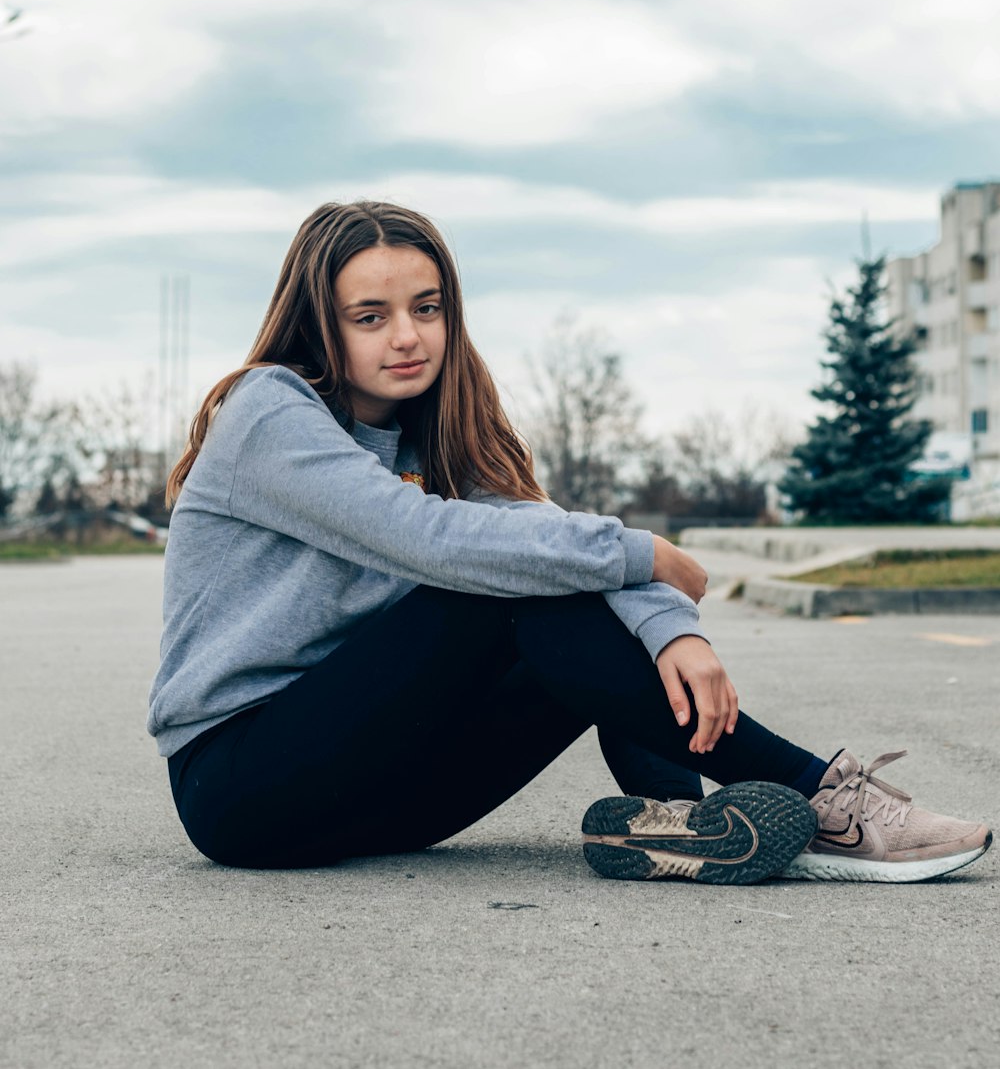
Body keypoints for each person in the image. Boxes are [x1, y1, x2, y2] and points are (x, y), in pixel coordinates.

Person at [149, 200, 992, 885]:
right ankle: (824, 798)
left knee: (555, 579)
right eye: (370, 316)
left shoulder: (439, 436)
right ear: (319, 324)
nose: (407, 336)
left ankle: (676, 818)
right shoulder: (270, 411)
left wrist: (674, 627)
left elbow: (545, 538)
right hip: (244, 787)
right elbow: (427, 538)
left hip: (377, 796)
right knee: (500, 592)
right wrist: (646, 552)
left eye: (427, 308)